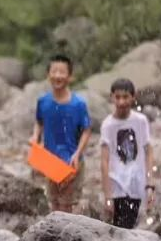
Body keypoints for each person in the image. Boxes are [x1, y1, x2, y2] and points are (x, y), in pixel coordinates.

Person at [30, 54, 92, 213]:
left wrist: (78, 153)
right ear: (48, 75)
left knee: (66, 206)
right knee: (53, 204)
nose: (58, 76)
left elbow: (86, 130)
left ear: (70, 77)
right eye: (54, 71)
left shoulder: (78, 104)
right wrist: (36, 136)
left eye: (62, 72)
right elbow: (39, 121)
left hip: (71, 162)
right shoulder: (43, 102)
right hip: (50, 161)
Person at [100, 78, 154, 229]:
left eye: (125, 97)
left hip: (136, 183)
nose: (121, 102)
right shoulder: (108, 125)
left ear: (133, 97)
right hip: (117, 184)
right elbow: (104, 161)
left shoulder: (140, 121)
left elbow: (148, 151)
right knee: (120, 227)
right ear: (111, 97)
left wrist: (150, 184)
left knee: (132, 226)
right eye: (117, 97)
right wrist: (107, 195)